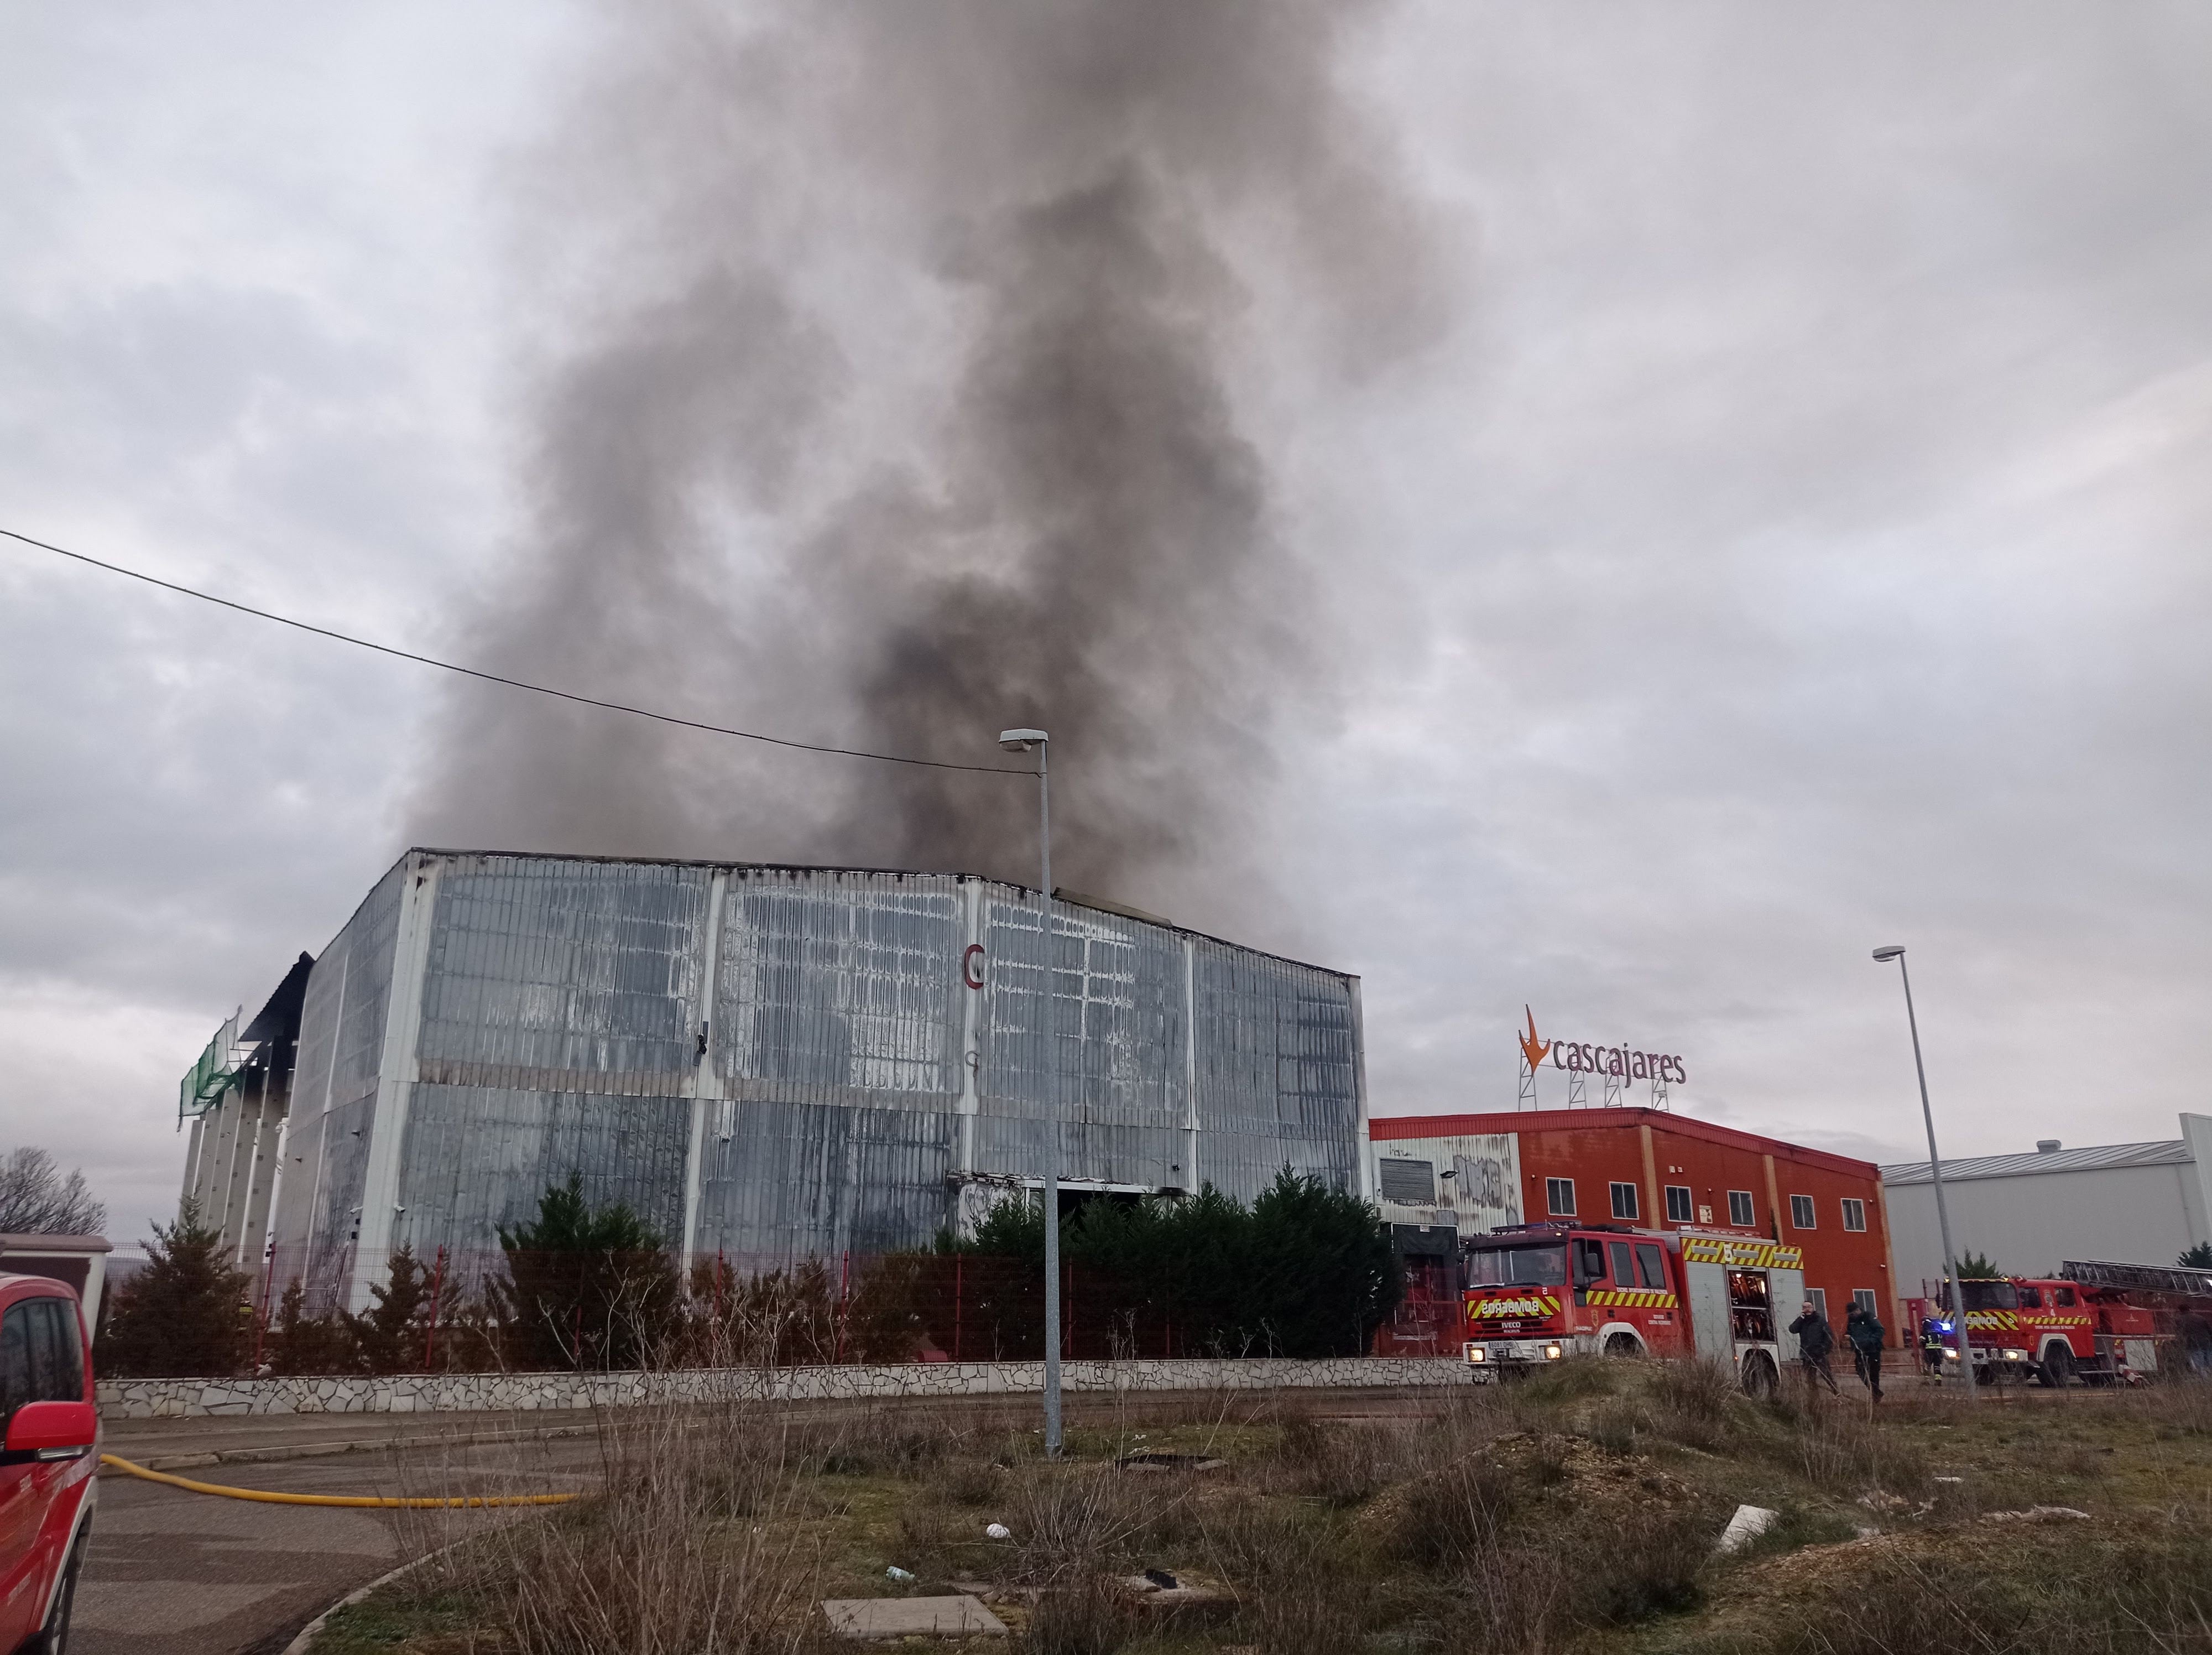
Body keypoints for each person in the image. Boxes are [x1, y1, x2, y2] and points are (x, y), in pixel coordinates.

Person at [1788, 1299, 1839, 1396]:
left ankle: (1836, 1393)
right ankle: (1815, 1398)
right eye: (1805, 1307)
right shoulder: (1802, 1321)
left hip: (1819, 1353)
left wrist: (1825, 1349)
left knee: (1826, 1375)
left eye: (1809, 1307)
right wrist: (1800, 1318)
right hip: (1807, 1354)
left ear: (1813, 1308)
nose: (1807, 1309)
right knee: (1810, 1378)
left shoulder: (1820, 1320)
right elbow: (1792, 1329)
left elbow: (1829, 1335)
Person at [1844, 1303, 1886, 1401]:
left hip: (1873, 1350)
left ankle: (1875, 1396)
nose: (1851, 1316)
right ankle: (1876, 1392)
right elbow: (1850, 1331)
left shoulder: (1869, 1317)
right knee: (1860, 1371)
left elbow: (1880, 1330)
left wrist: (1871, 1341)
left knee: (1874, 1373)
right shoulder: (1851, 1320)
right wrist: (1848, 1335)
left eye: (1852, 1313)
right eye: (1849, 1314)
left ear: (1858, 1310)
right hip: (1859, 1350)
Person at [1920, 1313, 1947, 1381]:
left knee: (1927, 1365)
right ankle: (1938, 1380)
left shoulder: (1924, 1332)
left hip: (1929, 1351)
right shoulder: (1938, 1332)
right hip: (1938, 1351)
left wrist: (1924, 1346)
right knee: (1937, 1366)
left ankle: (1927, 1380)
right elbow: (1941, 1340)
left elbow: (1922, 1341)